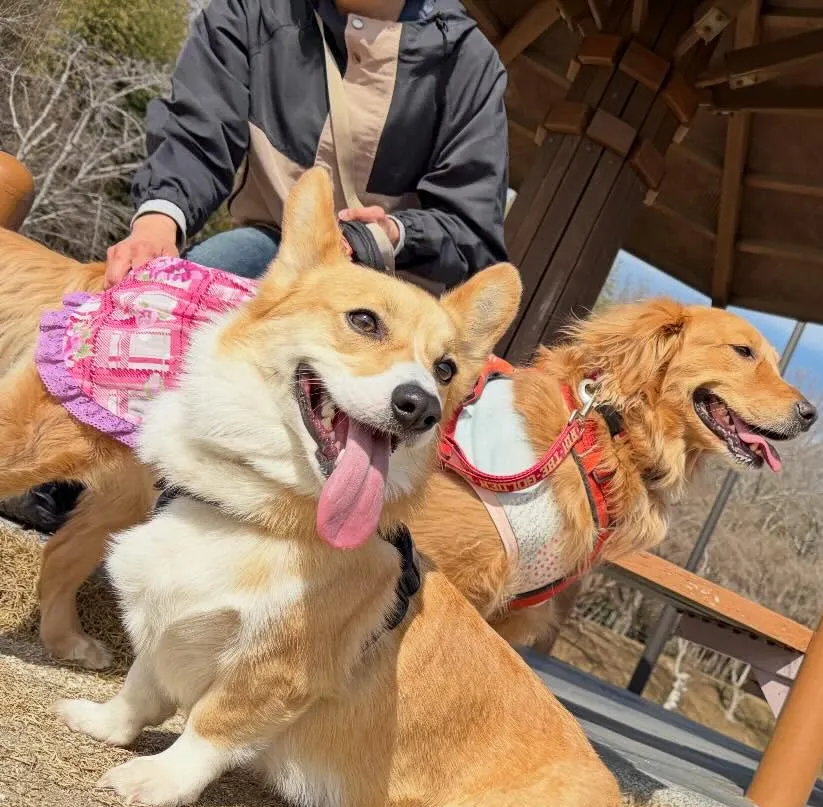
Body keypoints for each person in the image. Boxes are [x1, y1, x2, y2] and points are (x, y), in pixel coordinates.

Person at [3, 0, 510, 533]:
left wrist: (394, 233)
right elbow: (198, 128)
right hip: (274, 249)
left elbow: (470, 225)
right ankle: (72, 476)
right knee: (192, 285)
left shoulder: (469, 62)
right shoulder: (253, 10)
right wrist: (159, 217)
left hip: (393, 282)